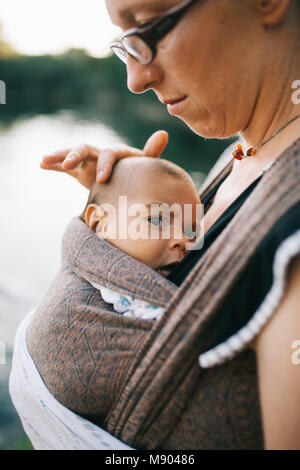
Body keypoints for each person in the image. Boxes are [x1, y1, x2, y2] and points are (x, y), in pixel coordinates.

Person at [11, 0, 300, 450]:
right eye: (124, 45)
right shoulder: (240, 156)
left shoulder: (292, 230)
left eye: (147, 27)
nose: (135, 78)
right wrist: (127, 202)